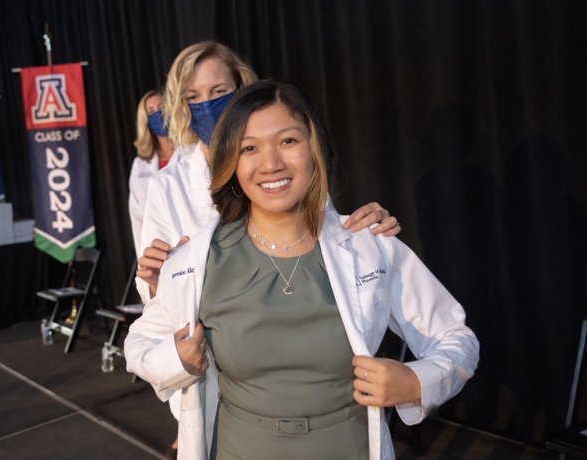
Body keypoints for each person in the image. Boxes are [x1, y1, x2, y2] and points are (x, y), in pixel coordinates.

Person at [125, 81, 479, 460]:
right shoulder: (198, 260)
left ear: (315, 148)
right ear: (231, 162)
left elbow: (455, 337)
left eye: (288, 141)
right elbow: (139, 344)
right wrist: (178, 360)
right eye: (249, 148)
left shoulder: (368, 246)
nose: (271, 163)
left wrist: (416, 381)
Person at [136, 41, 400, 303]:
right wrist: (158, 282)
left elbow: (330, 248)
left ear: (242, 90)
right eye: (192, 97)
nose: (206, 106)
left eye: (218, 91)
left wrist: (368, 237)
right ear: (179, 105)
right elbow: (154, 289)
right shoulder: (166, 187)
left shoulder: (282, 170)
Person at [128, 89, 181, 258]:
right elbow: (137, 216)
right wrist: (143, 256)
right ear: (145, 121)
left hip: (187, 238)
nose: (157, 114)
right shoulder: (141, 164)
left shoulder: (191, 152)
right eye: (150, 112)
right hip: (157, 246)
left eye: (162, 107)